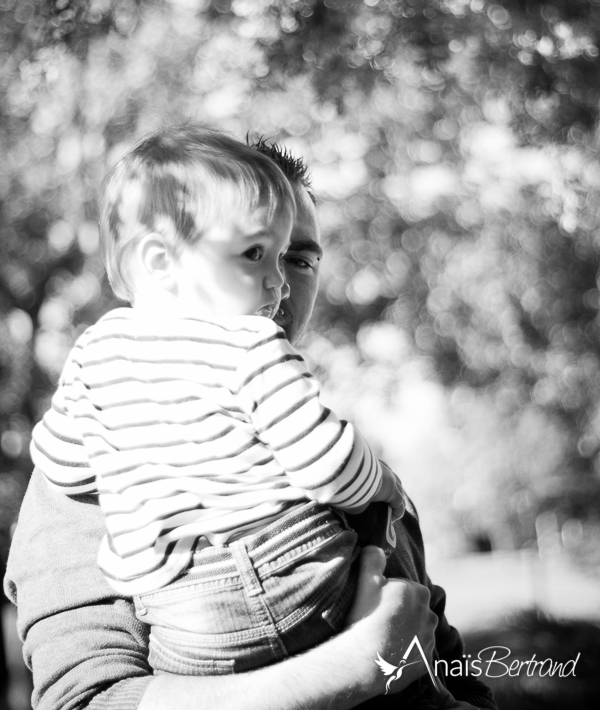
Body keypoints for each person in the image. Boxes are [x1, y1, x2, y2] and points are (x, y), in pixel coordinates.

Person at [4, 131, 497, 710]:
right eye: (253, 254)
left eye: (300, 257)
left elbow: (455, 677)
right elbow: (87, 701)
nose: (280, 284)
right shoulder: (94, 481)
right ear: (165, 261)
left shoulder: (347, 457)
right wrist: (354, 669)